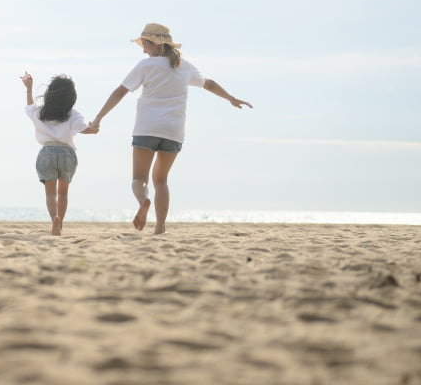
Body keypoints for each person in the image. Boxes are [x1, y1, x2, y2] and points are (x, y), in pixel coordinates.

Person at [92, 23, 251, 234]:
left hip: (147, 127)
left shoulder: (145, 66)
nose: (143, 49)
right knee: (161, 181)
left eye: (145, 44)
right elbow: (208, 83)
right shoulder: (183, 65)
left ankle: (143, 201)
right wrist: (230, 98)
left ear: (156, 44)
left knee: (139, 179)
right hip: (173, 131)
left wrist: (98, 118)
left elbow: (120, 92)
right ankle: (160, 227)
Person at [21, 73, 97, 235]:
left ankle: (54, 218)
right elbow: (85, 130)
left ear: (50, 93)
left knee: (50, 193)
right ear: (71, 97)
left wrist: (29, 89)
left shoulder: (40, 112)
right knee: (63, 192)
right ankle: (60, 223)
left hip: (47, 152)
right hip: (66, 154)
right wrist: (95, 129)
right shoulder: (73, 114)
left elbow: (30, 107)